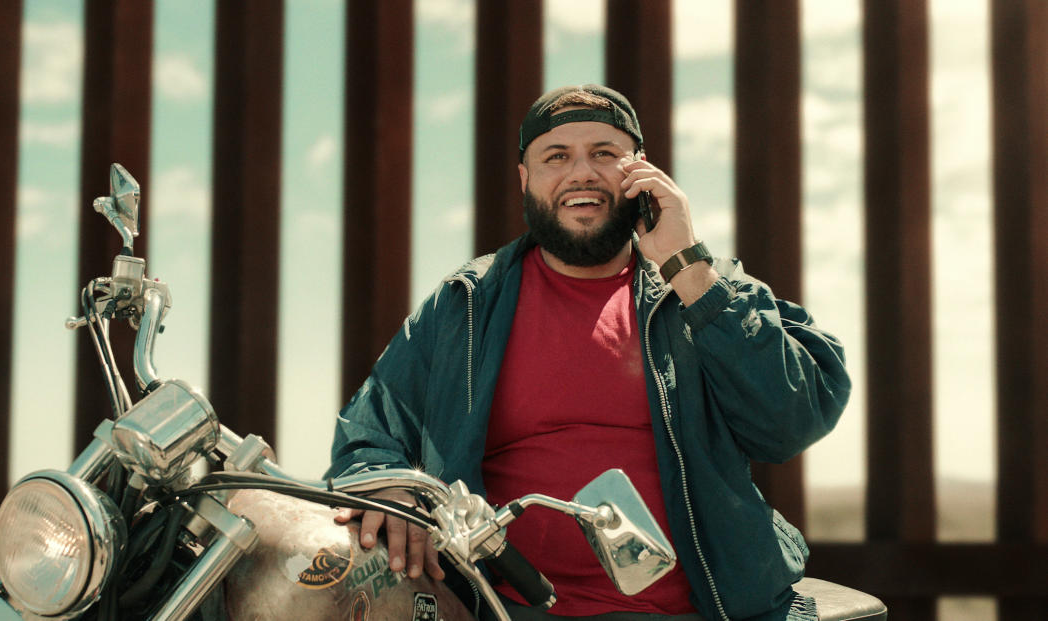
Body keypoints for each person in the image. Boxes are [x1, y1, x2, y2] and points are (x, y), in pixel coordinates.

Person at [327, 84, 849, 621]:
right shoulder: (466, 304)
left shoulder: (705, 289)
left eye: (604, 153)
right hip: (501, 608)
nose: (582, 173)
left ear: (641, 172)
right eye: (557, 156)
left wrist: (690, 269)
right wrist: (388, 486)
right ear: (525, 180)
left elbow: (792, 421)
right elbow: (368, 434)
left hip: (700, 610)